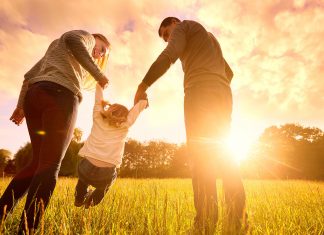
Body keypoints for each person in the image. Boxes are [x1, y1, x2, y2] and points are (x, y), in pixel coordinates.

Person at [134, 17, 247, 231]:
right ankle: (238, 221)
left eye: (167, 34)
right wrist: (216, 83)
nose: (168, 39)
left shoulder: (184, 26)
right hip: (223, 93)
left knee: (201, 157)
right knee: (225, 156)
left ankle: (205, 224)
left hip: (199, 91)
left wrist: (143, 84)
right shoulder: (209, 38)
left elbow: (169, 55)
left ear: (174, 23)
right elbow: (229, 72)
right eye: (165, 37)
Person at [0, 30, 110, 234]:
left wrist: (21, 106)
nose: (100, 54)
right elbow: (73, 39)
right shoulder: (85, 37)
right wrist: (99, 75)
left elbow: (28, 77)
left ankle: (1, 214)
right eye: (102, 48)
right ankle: (27, 229)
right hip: (61, 96)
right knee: (50, 165)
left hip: (36, 95)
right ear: (96, 39)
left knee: (37, 163)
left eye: (104, 54)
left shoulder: (56, 51)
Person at [74, 84, 148, 208]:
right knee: (106, 184)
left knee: (83, 179)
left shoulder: (98, 117)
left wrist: (99, 85)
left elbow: (98, 100)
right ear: (125, 117)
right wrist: (143, 100)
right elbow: (136, 110)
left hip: (85, 168)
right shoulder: (125, 125)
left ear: (109, 110)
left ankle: (79, 198)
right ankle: (92, 202)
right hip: (106, 174)